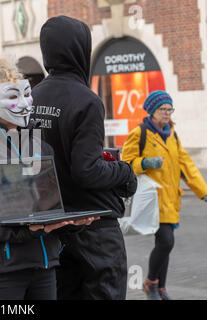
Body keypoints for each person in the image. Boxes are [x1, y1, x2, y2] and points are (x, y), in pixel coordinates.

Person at [0, 56, 97, 300]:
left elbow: (48, 206)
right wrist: (25, 232)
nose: (24, 103)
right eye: (12, 97)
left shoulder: (42, 147)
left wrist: (70, 224)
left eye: (26, 94)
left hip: (45, 267)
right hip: (2, 272)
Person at [31, 15, 137, 300]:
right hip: (94, 226)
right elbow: (87, 170)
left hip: (52, 224)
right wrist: (124, 171)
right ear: (80, 49)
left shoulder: (32, 99)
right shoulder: (85, 100)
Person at [122, 90, 207, 300]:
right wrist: (145, 163)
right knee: (166, 241)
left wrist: (203, 192)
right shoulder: (140, 133)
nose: (167, 113)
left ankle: (160, 287)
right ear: (152, 110)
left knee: (166, 243)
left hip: (171, 198)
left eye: (170, 109)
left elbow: (186, 166)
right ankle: (151, 282)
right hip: (152, 200)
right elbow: (126, 164)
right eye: (163, 109)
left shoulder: (172, 135)